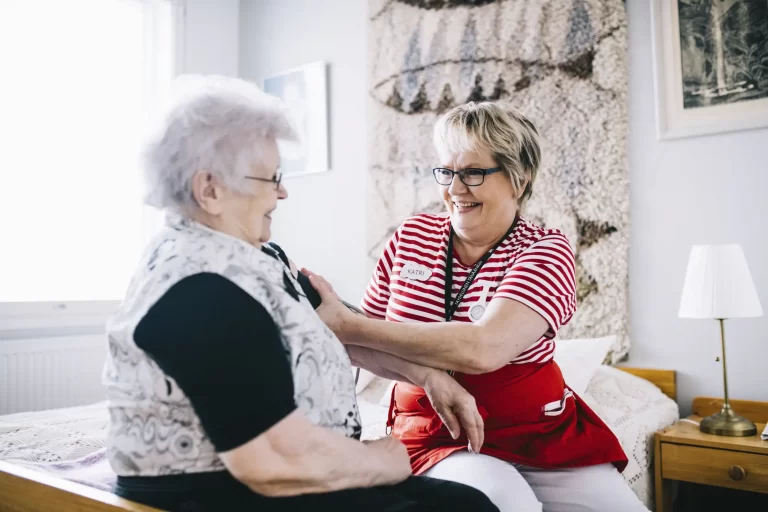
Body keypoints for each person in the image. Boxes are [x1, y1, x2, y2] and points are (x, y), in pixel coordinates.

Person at [102, 75, 499, 512]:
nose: (284, 191)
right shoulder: (201, 290)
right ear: (209, 189)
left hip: (284, 474)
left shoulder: (257, 257)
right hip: (228, 493)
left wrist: (428, 376)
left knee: (468, 503)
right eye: (272, 178)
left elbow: (341, 332)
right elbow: (271, 461)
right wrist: (381, 461)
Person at [305, 102, 649, 512]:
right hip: (434, 434)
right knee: (506, 499)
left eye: (472, 173)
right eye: (446, 172)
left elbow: (483, 349)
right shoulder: (411, 237)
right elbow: (361, 345)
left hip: (538, 434)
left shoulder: (546, 250)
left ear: (518, 181)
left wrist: (347, 325)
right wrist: (427, 375)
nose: (453, 188)